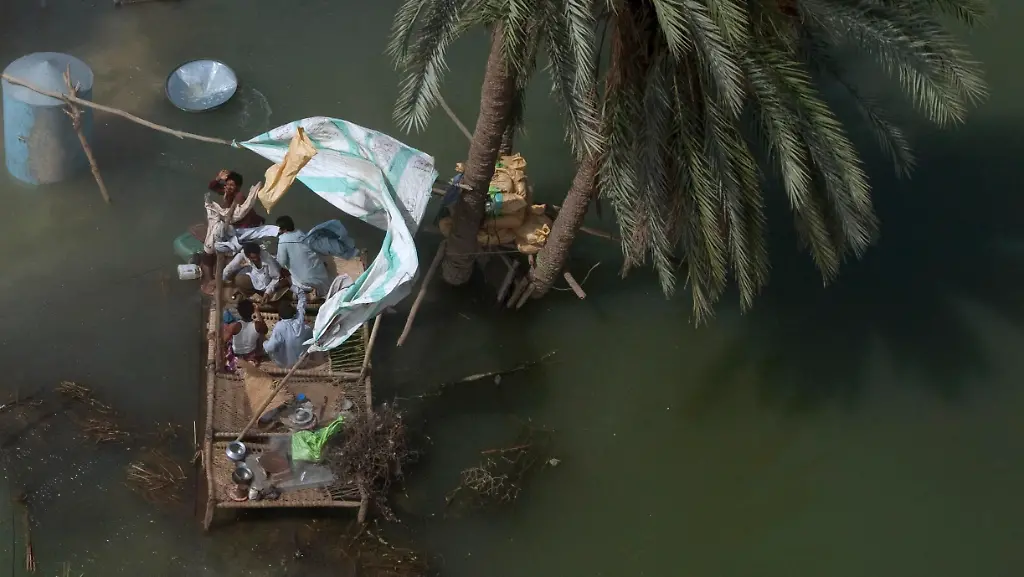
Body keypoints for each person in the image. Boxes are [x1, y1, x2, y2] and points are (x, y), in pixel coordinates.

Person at [275, 215, 331, 295]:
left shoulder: (283, 240)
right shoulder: (301, 233)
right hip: (321, 276)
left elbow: (282, 262)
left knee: (285, 279)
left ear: (285, 229)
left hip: (306, 281)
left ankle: (309, 294)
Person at [263, 286, 314, 369]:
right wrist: (291, 286)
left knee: (271, 343)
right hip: (302, 362)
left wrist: (264, 344)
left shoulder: (279, 326)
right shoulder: (299, 319)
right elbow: (302, 299)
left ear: (280, 316)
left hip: (284, 364)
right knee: (308, 329)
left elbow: (270, 348)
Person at [223, 242, 290, 302]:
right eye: (253, 258)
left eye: (257, 256)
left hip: (268, 282)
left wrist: (268, 292)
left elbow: (276, 278)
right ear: (247, 256)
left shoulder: (268, 259)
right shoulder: (243, 254)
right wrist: (224, 278)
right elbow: (230, 267)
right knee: (239, 279)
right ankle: (251, 295)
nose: (256, 259)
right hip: (255, 277)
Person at [221, 299, 268, 371]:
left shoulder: (234, 326)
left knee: (226, 318)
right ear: (253, 311)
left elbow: (223, 341)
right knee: (261, 337)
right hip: (251, 353)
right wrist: (257, 312)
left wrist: (225, 351)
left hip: (236, 353)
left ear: (239, 312)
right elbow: (265, 330)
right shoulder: (258, 325)